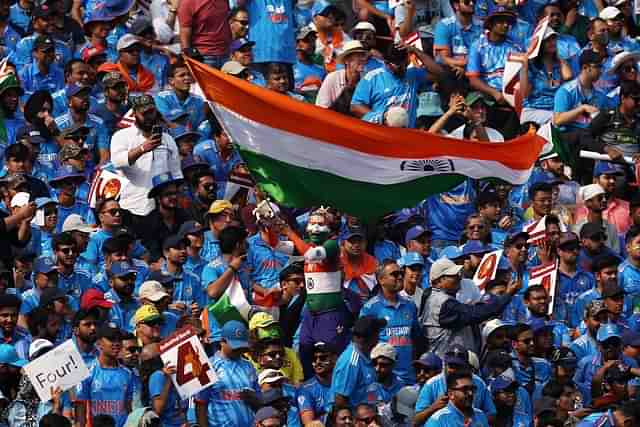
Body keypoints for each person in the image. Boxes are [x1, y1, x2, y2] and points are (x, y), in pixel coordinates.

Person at [421, 257, 520, 356]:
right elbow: (476, 313)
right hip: (445, 363)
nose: (459, 277)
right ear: (439, 281)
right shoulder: (443, 303)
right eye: (453, 275)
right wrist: (507, 295)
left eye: (458, 274)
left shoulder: (435, 297)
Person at [110, 94, 183, 219]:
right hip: (133, 207)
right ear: (134, 114)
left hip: (162, 209)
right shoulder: (121, 136)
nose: (149, 117)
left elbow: (176, 174)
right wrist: (143, 149)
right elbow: (117, 162)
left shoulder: (168, 140)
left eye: (151, 112)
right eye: (144, 113)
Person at [351, 44, 442, 128]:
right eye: (398, 65)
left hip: (407, 134)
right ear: (386, 63)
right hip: (382, 131)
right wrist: (381, 117)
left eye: (405, 64)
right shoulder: (371, 78)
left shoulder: (413, 74)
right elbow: (355, 106)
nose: (403, 68)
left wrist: (416, 51)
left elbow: (439, 73)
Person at [360, 260, 421, 383]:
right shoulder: (370, 308)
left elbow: (416, 338)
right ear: (381, 280)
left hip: (408, 378)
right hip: (382, 379)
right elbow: (361, 345)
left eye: (401, 273)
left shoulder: (410, 305)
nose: (400, 277)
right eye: (394, 274)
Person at [195, 320, 260, 427]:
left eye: (241, 346)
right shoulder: (209, 366)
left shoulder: (249, 366)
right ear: (222, 341)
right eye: (235, 346)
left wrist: (253, 398)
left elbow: (259, 401)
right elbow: (201, 404)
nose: (239, 349)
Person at [75, 324, 135, 427]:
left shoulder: (127, 374)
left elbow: (128, 407)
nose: (116, 343)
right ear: (99, 343)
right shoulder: (87, 372)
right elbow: (81, 408)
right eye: (111, 339)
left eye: (118, 340)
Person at [328, 315, 385, 410]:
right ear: (371, 337)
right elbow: (339, 401)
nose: (379, 337)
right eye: (377, 333)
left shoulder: (365, 356)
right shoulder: (351, 362)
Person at [424, 371, 490, 427]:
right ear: (451, 394)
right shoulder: (438, 420)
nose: (470, 393)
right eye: (465, 389)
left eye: (472, 389)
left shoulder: (480, 415)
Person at [298, 342, 337, 424]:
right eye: (314, 359)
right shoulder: (305, 389)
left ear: (334, 359)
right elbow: (309, 423)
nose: (318, 362)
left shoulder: (343, 383)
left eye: (323, 358)